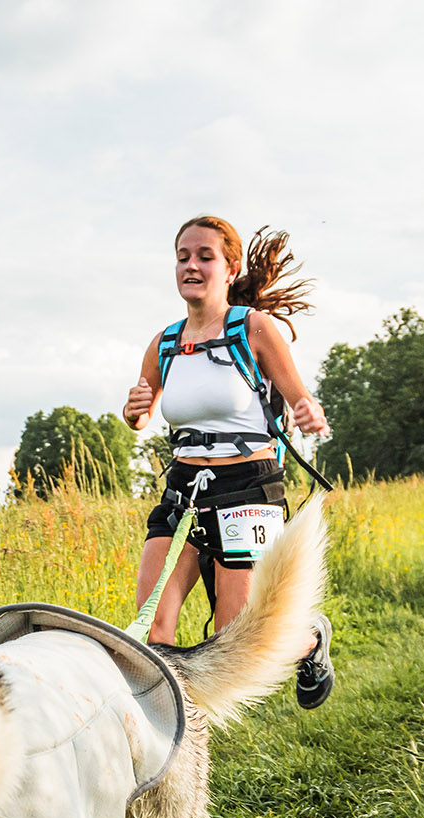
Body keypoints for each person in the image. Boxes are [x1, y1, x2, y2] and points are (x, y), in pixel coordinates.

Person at [121, 215, 334, 709]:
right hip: (183, 487)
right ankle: (169, 736)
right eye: (182, 257)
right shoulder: (165, 343)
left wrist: (307, 411)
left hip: (247, 487)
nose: (190, 266)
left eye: (204, 256)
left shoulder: (253, 328)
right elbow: (142, 414)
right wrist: (133, 412)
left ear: (230, 267)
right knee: (153, 625)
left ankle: (308, 640)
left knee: (237, 638)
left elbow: (301, 399)